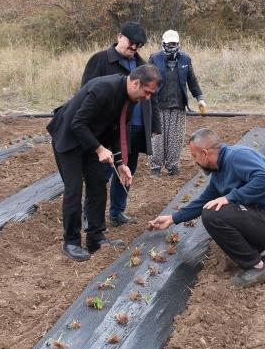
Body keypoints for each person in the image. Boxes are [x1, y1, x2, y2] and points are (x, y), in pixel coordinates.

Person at [147, 128, 265, 287]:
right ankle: (262, 257)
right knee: (215, 208)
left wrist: (229, 197)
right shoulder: (219, 170)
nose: (195, 161)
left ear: (204, 153)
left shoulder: (237, 157)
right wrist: (172, 218)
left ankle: (256, 267)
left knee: (213, 215)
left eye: (194, 156)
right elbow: (203, 200)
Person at [48, 65, 162, 261]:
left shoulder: (131, 97)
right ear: (136, 83)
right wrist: (100, 149)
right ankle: (71, 242)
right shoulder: (104, 89)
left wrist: (120, 162)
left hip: (90, 140)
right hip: (68, 139)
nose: (148, 97)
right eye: (147, 91)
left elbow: (116, 129)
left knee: (98, 185)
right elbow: (78, 123)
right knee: (74, 189)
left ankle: (95, 237)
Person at [81, 21, 156, 226]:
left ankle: (117, 212)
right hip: (110, 130)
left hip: (136, 127)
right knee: (103, 173)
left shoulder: (142, 65)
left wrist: (154, 125)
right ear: (119, 37)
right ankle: (90, 214)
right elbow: (85, 93)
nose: (134, 48)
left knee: (127, 170)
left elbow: (152, 97)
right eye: (131, 43)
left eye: (138, 45)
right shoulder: (100, 60)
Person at [149, 29, 206, 176]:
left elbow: (192, 80)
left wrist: (200, 98)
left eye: (174, 43)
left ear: (178, 44)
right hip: (159, 105)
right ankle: (155, 166)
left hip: (178, 105)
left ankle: (172, 166)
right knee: (157, 137)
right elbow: (147, 79)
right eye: (169, 44)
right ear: (163, 44)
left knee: (175, 138)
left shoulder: (185, 59)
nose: (172, 46)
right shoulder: (154, 58)